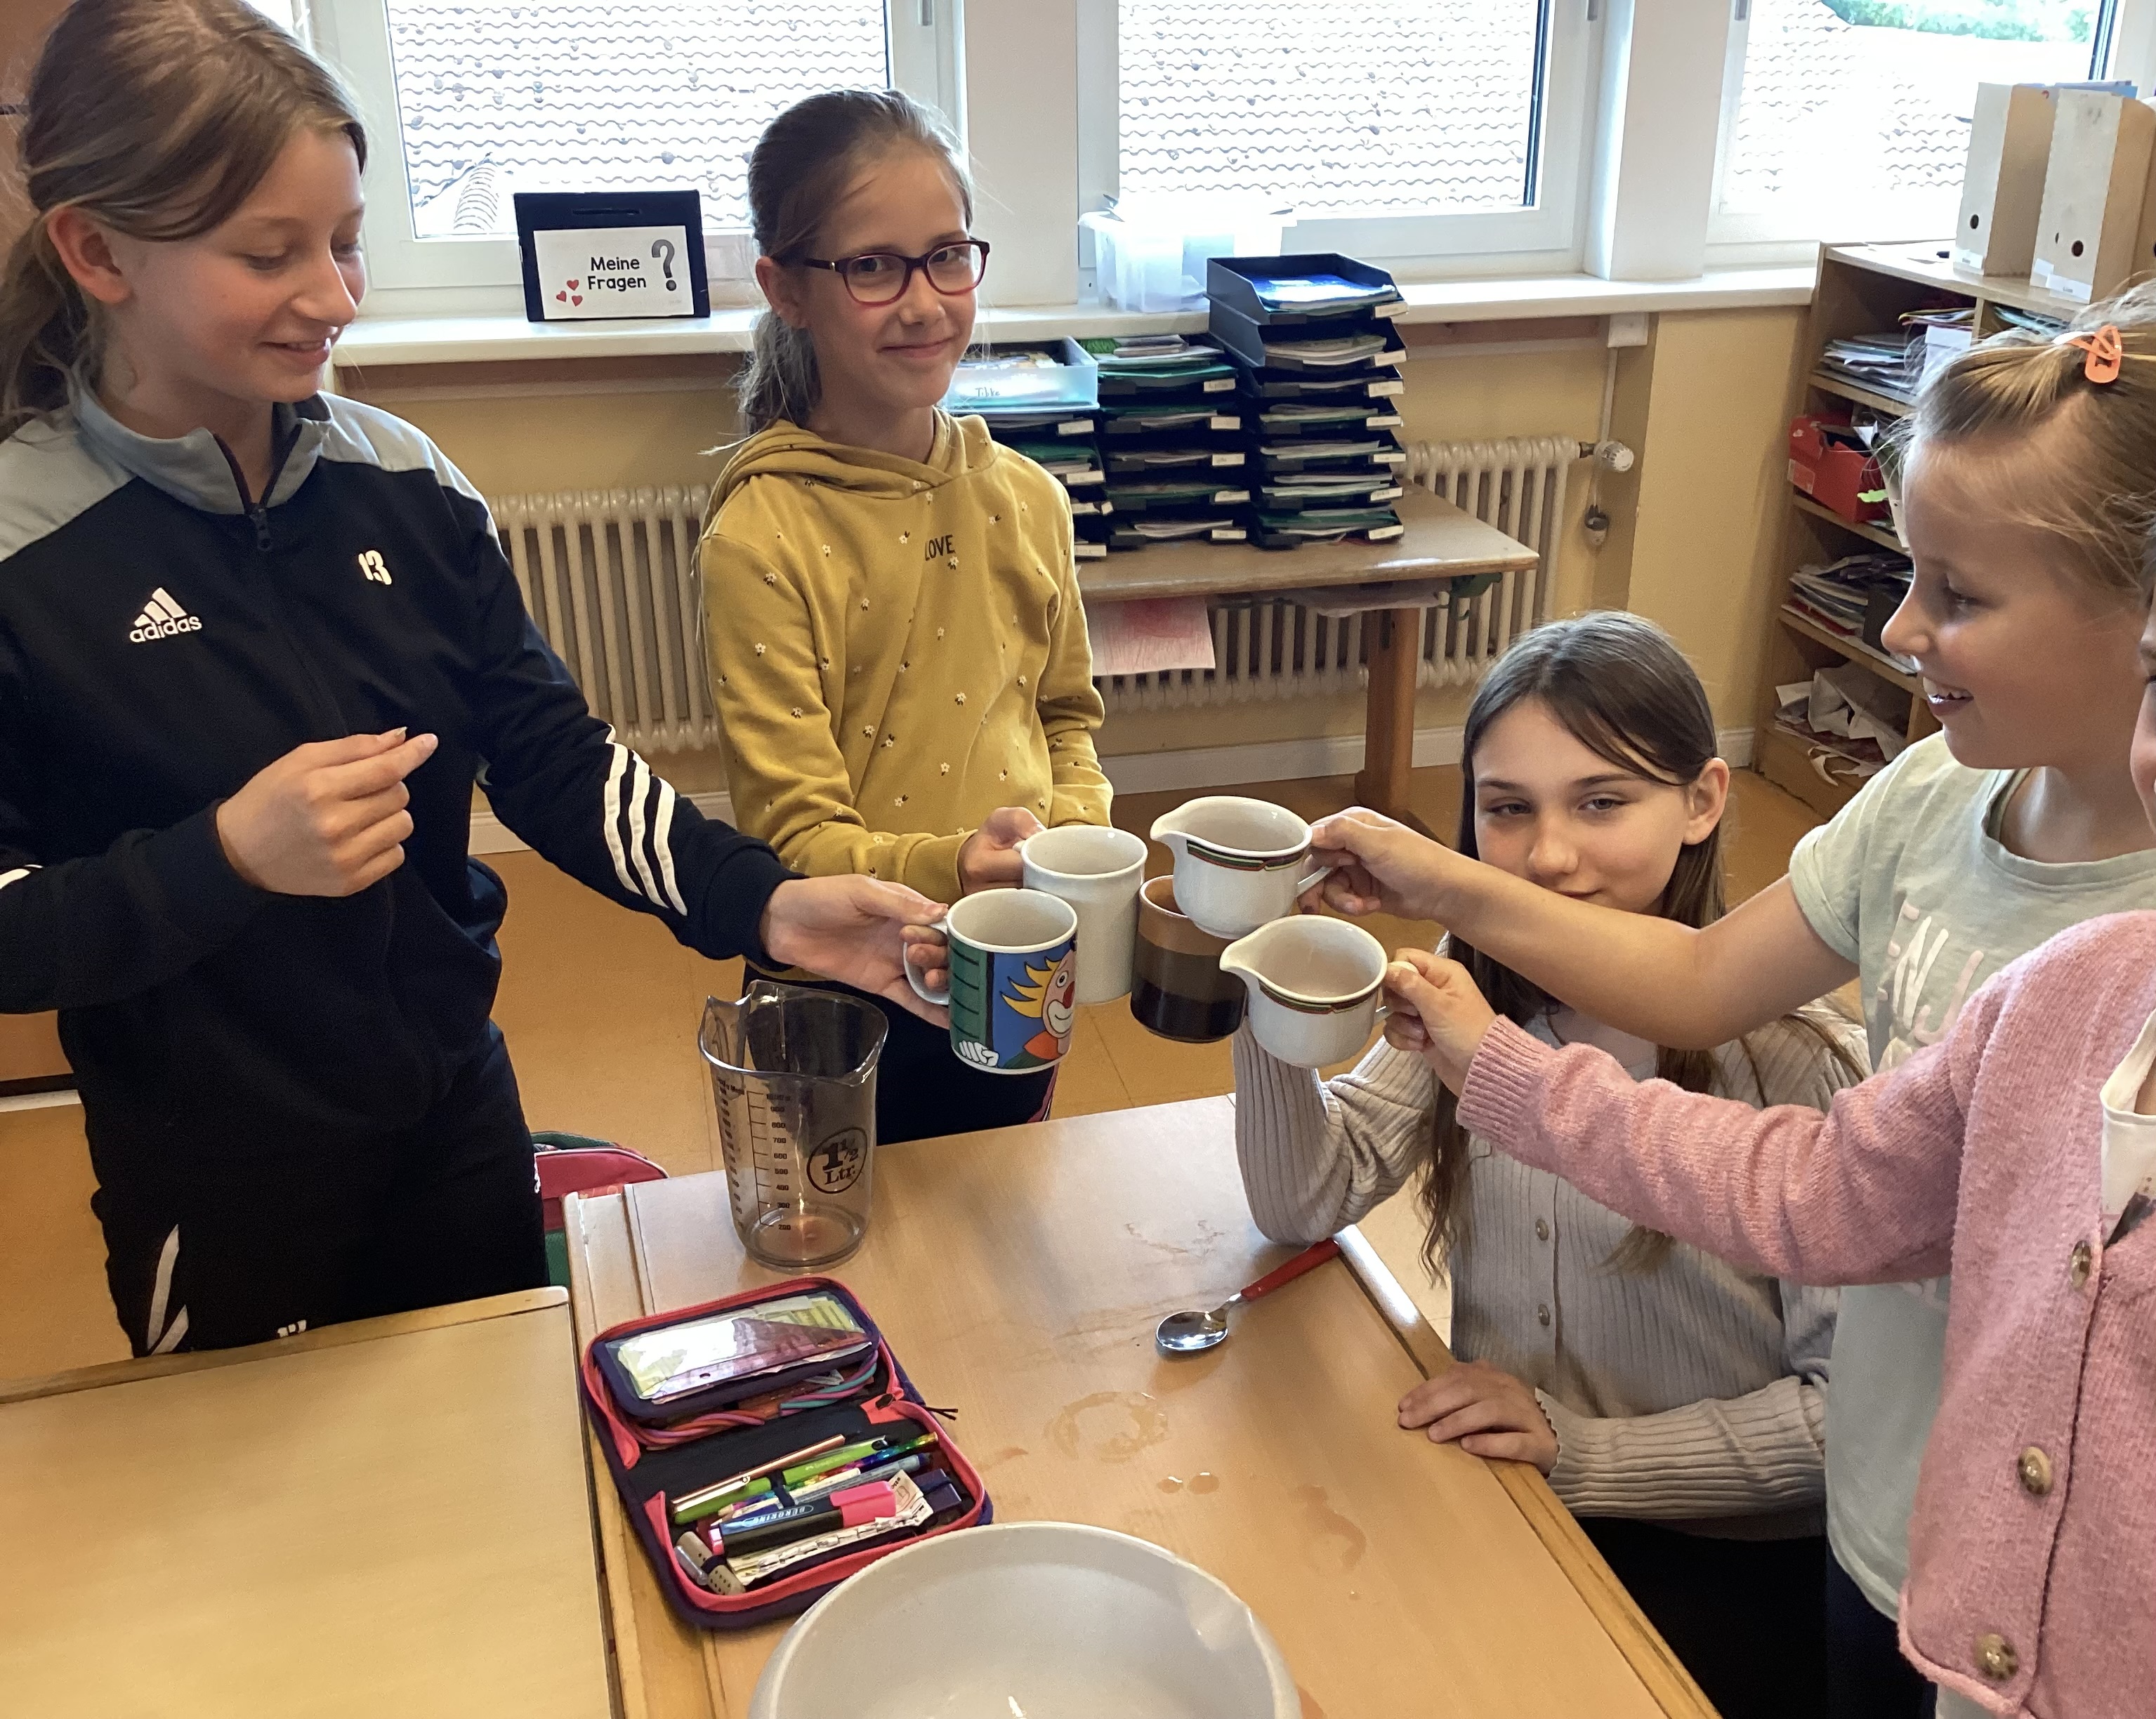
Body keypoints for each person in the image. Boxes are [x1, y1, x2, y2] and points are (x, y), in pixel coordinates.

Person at [0, 0, 945, 1355]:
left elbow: (553, 757)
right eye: (268, 254)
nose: (334, 297)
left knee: (498, 1429)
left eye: (345, 241)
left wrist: (769, 903)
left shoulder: (409, 485)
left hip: (455, 1110)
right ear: (97, 251)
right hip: (214, 1175)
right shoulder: (24, 550)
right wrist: (226, 859)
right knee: (270, 1479)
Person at [1302, 304, 2156, 1718]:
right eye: (1906, 572)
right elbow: (1708, 999)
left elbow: (1810, 1185)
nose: (1899, 628)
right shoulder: (1927, 794)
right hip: (1884, 1505)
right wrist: (1439, 883)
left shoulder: (2102, 966)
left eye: (1958, 594)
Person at [1234, 614, 1862, 1718]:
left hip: (1728, 1555)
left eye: (1601, 802)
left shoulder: (1797, 1062)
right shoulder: (1472, 992)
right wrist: (1266, 984)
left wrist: (1588, 1455)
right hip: (1515, 1501)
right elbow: (1302, 1201)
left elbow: (1841, 1416)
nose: (1550, 857)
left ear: (1703, 801)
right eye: (1507, 809)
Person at [702, 89, 1111, 1144]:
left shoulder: (1029, 499)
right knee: (860, 1215)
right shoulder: (762, 536)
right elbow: (796, 836)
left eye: (947, 257)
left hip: (1016, 954)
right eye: (873, 267)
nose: (925, 304)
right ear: (786, 289)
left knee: (1007, 1182)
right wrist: (954, 868)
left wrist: (1071, 844)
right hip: (844, 985)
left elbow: (1066, 715)